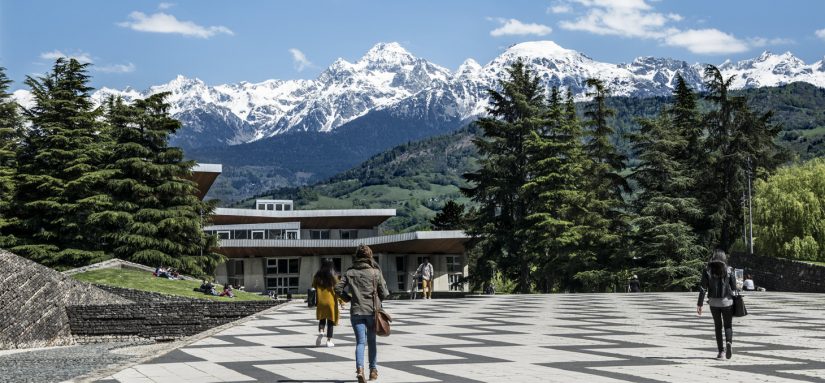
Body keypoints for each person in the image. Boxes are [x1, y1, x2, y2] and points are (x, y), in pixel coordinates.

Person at [335, 244, 389, 383]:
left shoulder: (350, 272)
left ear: (357, 256)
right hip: (372, 311)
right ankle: (373, 371)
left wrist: (348, 298)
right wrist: (377, 299)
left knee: (360, 342)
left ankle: (359, 369)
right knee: (371, 341)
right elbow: (384, 292)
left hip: (356, 311)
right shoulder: (375, 272)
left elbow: (337, 288)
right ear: (369, 256)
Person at [697, 249, 739, 360]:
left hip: (713, 303)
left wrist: (699, 304)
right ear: (724, 258)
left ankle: (721, 352)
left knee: (718, 326)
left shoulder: (707, 270)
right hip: (727, 302)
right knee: (728, 325)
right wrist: (736, 302)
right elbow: (734, 289)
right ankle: (729, 342)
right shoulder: (729, 270)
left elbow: (703, 288)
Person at [313, 259, 341, 348]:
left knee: (322, 318)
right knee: (330, 321)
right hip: (331, 302)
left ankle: (321, 331)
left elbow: (313, 286)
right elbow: (338, 290)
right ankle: (329, 341)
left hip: (321, 301)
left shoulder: (317, 276)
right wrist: (341, 301)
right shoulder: (334, 277)